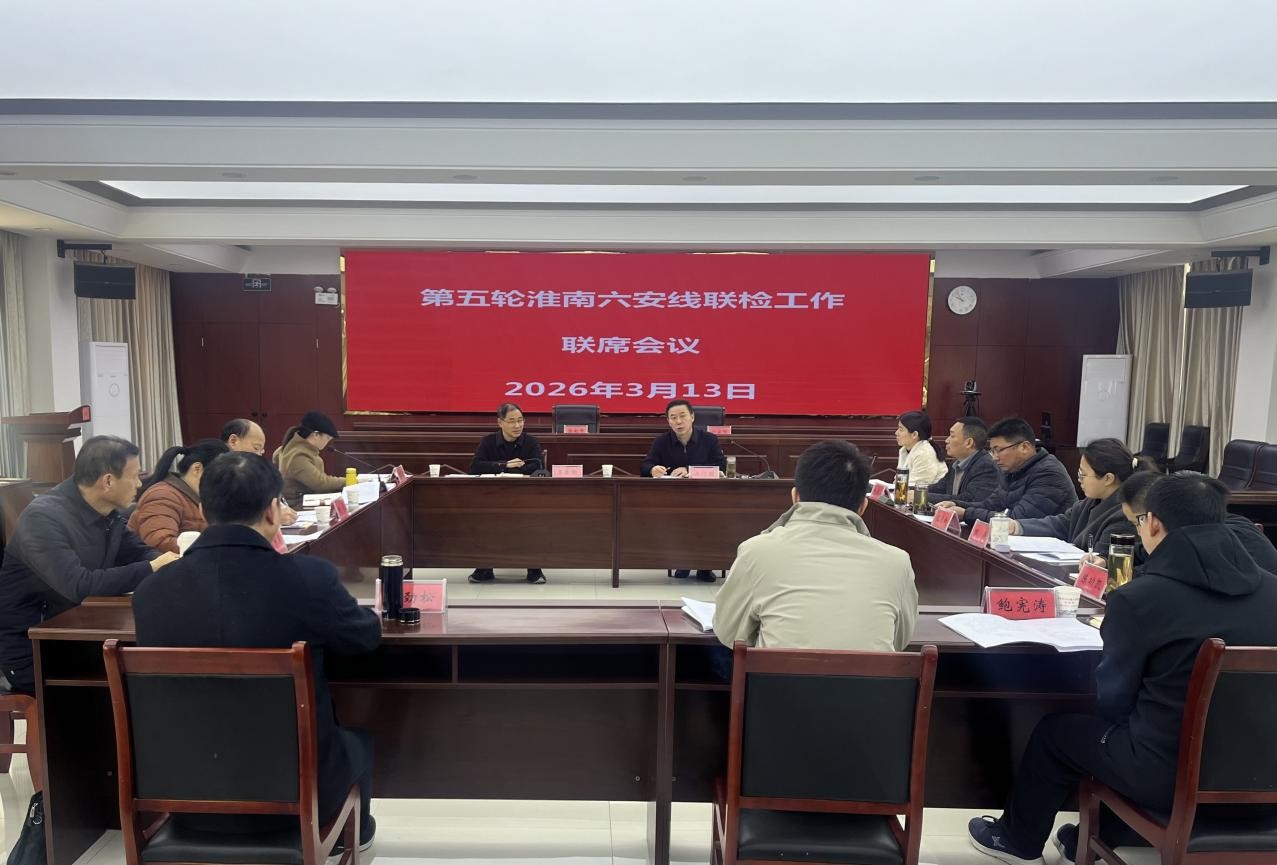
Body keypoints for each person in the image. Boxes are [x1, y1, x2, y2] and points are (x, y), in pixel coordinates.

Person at [967, 473, 1277, 865]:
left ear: (1153, 523)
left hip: (1169, 781)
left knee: (1059, 733)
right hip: (1265, 777)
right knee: (1138, 736)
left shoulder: (1140, 598)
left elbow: (1113, 697)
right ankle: (1092, 836)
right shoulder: (1272, 589)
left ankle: (1017, 841)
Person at [133, 452, 381, 852]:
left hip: (184, 793)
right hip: (297, 792)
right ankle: (346, 836)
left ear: (202, 511)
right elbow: (365, 637)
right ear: (272, 510)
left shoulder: (151, 592)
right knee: (357, 741)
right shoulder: (309, 579)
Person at [0, 436, 178, 694]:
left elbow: (138, 552)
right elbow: (79, 586)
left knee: (155, 663)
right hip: (35, 649)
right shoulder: (42, 519)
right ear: (108, 481)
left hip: (80, 632)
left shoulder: (106, 513)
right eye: (135, 476)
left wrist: (166, 564)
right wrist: (152, 567)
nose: (140, 484)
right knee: (139, 679)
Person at [715, 439, 918, 651]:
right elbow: (899, 641)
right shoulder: (898, 562)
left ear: (795, 497)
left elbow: (729, 632)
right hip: (872, 675)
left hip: (780, 674)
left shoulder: (755, 552)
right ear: (862, 507)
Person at [1009, 438, 1153, 557]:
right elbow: (1061, 524)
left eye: (1083, 475)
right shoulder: (1091, 502)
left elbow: (1102, 559)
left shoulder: (1125, 515)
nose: (1079, 480)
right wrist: (1017, 526)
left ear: (1108, 478)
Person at [1117, 470, 1277, 575]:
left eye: (1139, 522)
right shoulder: (1203, 524)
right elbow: (1145, 554)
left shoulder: (1212, 544)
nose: (1139, 531)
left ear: (1154, 518)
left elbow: (1163, 572)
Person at [641, 400, 727, 582]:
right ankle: (683, 562)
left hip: (706, 497)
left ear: (692, 417)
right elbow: (646, 465)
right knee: (678, 519)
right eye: (673, 418)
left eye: (682, 416)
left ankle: (705, 566)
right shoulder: (661, 441)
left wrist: (689, 470)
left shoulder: (709, 440)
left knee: (708, 519)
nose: (678, 421)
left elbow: (721, 466)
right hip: (673, 498)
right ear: (668, 421)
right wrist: (653, 469)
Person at [936, 417, 1077, 525]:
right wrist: (956, 505)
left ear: (1024, 447)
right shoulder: (1012, 470)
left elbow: (1016, 519)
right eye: (992, 451)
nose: (994, 457)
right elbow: (989, 505)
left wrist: (966, 514)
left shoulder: (1049, 474)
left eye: (998, 450)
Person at [467, 403, 546, 584]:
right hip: (491, 497)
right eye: (511, 421)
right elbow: (475, 467)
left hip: (525, 497)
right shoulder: (488, 442)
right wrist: (504, 465)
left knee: (532, 520)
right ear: (500, 422)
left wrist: (505, 469)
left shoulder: (531, 442)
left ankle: (534, 569)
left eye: (520, 420)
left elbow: (537, 467)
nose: (517, 425)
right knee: (484, 520)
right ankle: (484, 569)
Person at [127, 438, 229, 553]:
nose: (224, 484)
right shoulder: (163, 495)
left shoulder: (199, 497)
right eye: (220, 476)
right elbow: (159, 544)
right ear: (197, 469)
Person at [224, 418, 297, 524]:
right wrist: (268, 516)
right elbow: (230, 513)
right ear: (233, 441)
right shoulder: (219, 473)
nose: (258, 456)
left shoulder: (249, 471)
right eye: (256, 448)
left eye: (261, 451)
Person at [274, 410, 346, 505]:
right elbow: (320, 483)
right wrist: (350, 481)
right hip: (299, 506)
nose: (328, 442)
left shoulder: (289, 448)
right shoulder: (298, 455)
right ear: (316, 434)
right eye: (327, 438)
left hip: (307, 501)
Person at [927, 416, 999, 506]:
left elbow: (968, 499)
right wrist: (914, 491)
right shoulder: (957, 463)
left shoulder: (986, 466)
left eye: (952, 436)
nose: (946, 440)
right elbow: (938, 488)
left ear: (969, 443)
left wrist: (921, 496)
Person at [895, 410, 946, 487]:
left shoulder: (924, 454)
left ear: (914, 434)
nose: (896, 433)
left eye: (901, 429)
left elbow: (916, 487)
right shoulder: (906, 450)